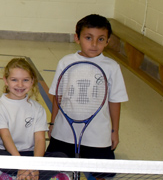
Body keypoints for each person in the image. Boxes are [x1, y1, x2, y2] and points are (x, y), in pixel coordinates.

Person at [48, 15, 128, 169]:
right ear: (77, 38)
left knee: (105, 172)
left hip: (97, 136)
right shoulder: (65, 62)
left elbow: (115, 101)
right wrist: (53, 124)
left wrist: (114, 131)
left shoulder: (112, 67)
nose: (94, 44)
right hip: (64, 133)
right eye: (88, 38)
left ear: (108, 41)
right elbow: (58, 96)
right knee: (51, 168)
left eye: (100, 39)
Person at [0, 58, 71, 180]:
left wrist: (34, 166)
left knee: (61, 157)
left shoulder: (37, 109)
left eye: (25, 80)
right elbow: (6, 137)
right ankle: (45, 179)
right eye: (14, 80)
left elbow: (40, 140)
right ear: (6, 80)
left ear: (32, 81)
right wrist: (21, 165)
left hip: (29, 154)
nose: (20, 85)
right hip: (6, 152)